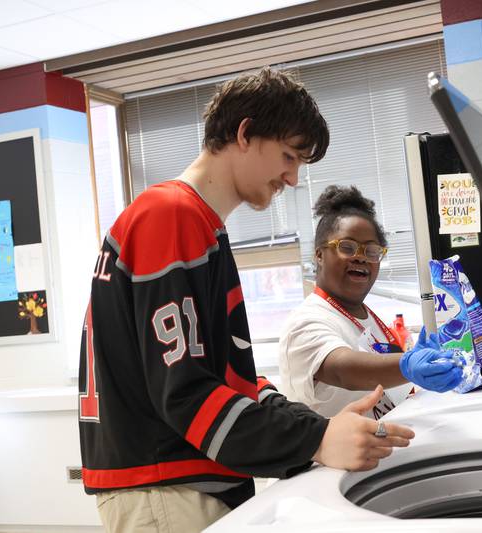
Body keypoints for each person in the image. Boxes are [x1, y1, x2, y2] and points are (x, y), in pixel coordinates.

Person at [77, 68, 414, 533]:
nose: (293, 178)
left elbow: (229, 378)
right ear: (245, 133)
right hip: (164, 486)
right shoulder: (170, 216)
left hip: (180, 483)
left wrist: (312, 428)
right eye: (288, 156)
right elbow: (187, 394)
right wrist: (316, 439)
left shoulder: (199, 225)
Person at [278, 185, 462, 419]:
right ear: (319, 255)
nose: (361, 257)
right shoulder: (305, 322)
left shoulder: (367, 317)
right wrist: (407, 365)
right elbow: (343, 370)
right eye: (347, 247)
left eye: (372, 251)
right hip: (337, 455)